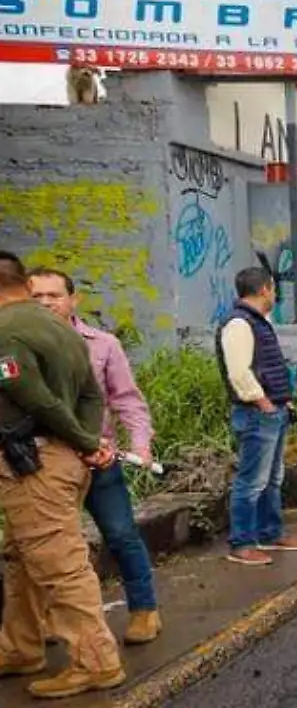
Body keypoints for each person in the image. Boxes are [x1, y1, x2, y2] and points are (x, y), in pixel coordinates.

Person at [0, 253, 123, 698]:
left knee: (57, 564)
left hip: (35, 465)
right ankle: (20, 647)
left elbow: (31, 396)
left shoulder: (6, 331)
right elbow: (92, 392)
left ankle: (95, 662)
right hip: (60, 459)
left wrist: (85, 442)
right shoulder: (58, 326)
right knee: (21, 560)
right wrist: (86, 442)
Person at [25, 269, 162, 642]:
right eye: (36, 297)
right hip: (43, 465)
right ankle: (51, 621)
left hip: (99, 460)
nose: (45, 303)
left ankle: (144, 610)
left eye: (53, 295)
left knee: (120, 534)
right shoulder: (18, 346)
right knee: (48, 545)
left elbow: (127, 400)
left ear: (73, 300)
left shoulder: (101, 345)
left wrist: (140, 446)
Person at [217, 266, 297, 567]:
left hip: (273, 410)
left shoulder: (257, 322)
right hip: (258, 413)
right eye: (272, 288)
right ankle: (241, 543)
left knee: (272, 478)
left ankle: (271, 532)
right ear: (264, 290)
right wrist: (264, 403)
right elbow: (239, 372)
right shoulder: (240, 324)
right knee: (251, 481)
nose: (275, 294)